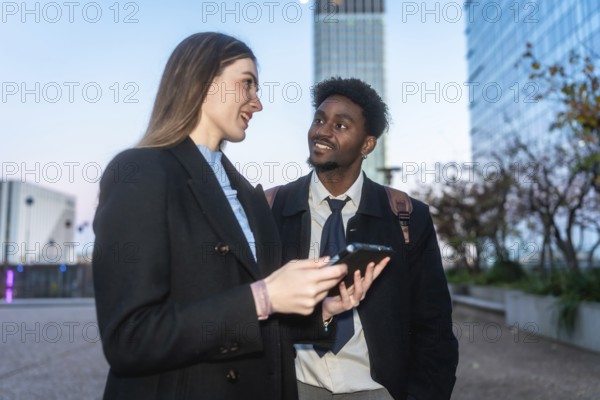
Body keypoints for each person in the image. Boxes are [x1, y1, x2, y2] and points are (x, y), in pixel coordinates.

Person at [92, 33, 388, 400]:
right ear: (201, 79)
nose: (257, 103)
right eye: (247, 84)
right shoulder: (139, 172)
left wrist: (325, 310)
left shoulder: (248, 194)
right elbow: (130, 338)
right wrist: (262, 297)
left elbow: (257, 320)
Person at [268, 77, 459, 400]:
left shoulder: (408, 217)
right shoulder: (270, 209)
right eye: (319, 120)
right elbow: (255, 309)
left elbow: (434, 327)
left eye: (340, 125)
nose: (323, 131)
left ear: (367, 144)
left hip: (376, 389)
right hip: (293, 386)